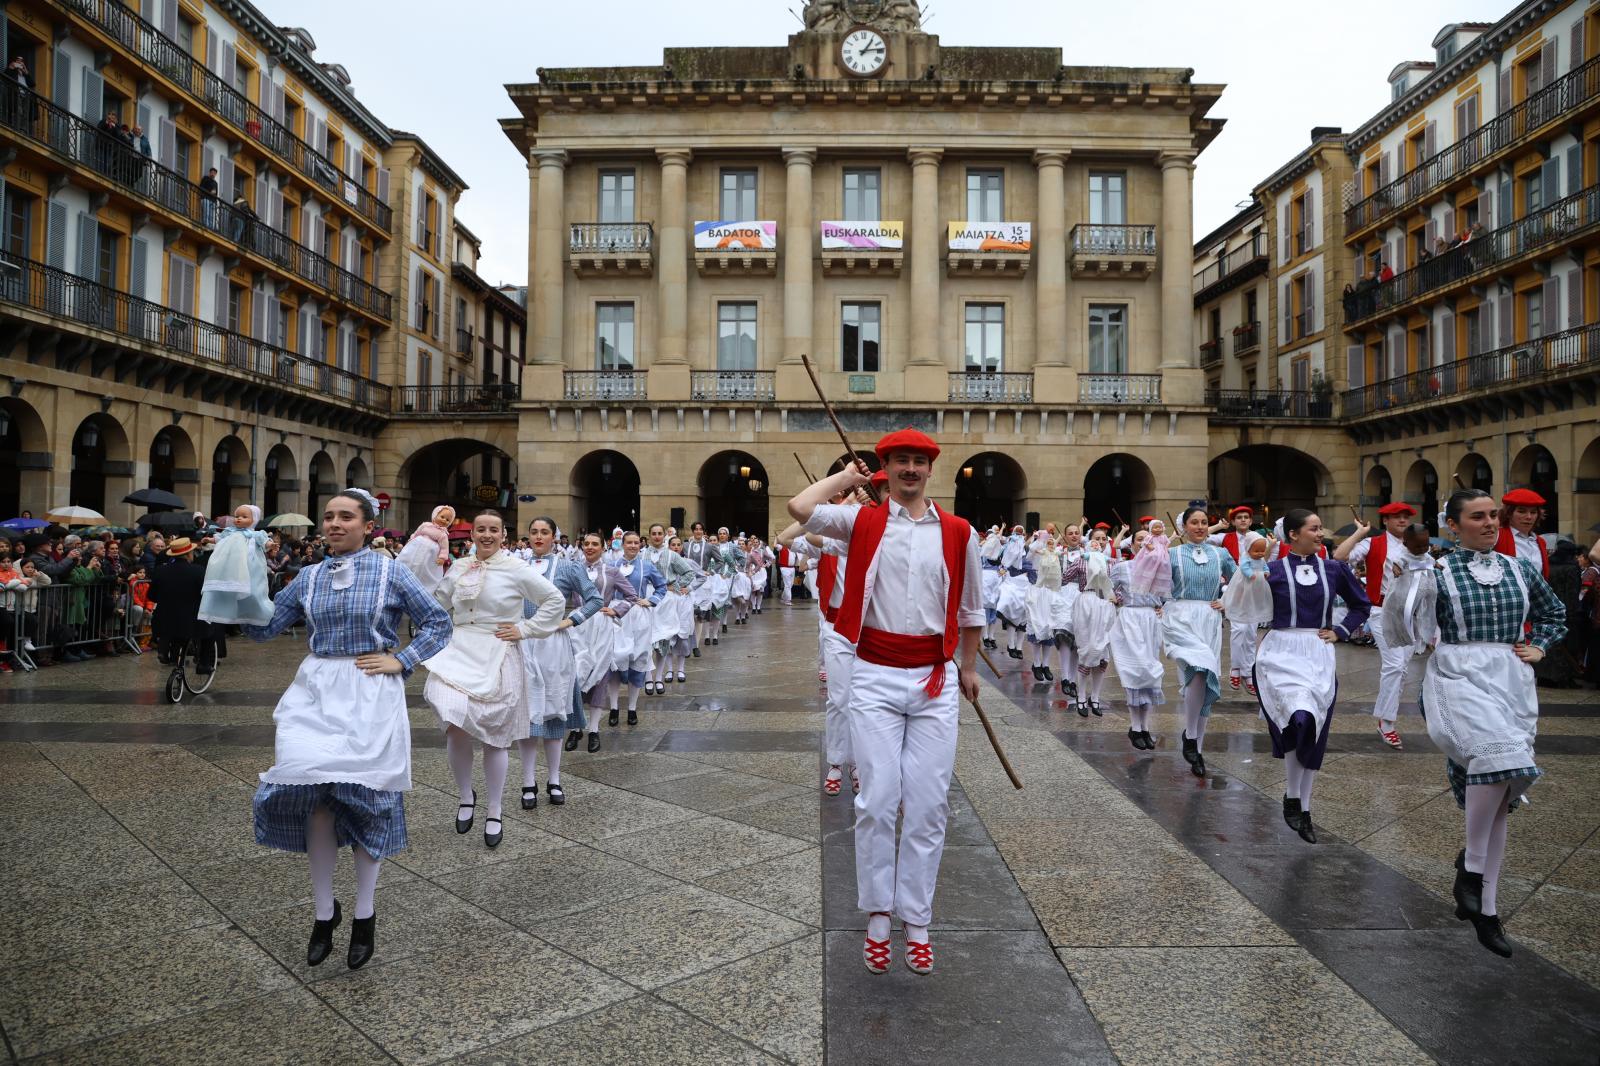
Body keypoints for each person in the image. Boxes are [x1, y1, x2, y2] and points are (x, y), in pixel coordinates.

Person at [789, 427, 983, 976]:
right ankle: (878, 916)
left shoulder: (958, 531)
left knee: (928, 805)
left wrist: (967, 667)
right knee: (876, 800)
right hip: (872, 674)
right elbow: (799, 507)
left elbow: (971, 610)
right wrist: (846, 479)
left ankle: (916, 920)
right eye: (900, 461)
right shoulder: (859, 521)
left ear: (929, 469)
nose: (910, 470)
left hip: (934, 682)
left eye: (918, 462)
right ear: (887, 468)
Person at [243, 489, 451, 971]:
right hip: (315, 690)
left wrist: (400, 660)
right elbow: (263, 629)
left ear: (367, 525)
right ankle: (322, 913)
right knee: (313, 794)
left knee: (367, 801)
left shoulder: (391, 570)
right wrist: (237, 586)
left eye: (345, 517)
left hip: (370, 690)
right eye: (329, 517)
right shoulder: (309, 576)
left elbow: (437, 625)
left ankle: (364, 913)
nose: (334, 524)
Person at [1389, 489, 1565, 957]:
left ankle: (1486, 908)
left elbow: (1554, 612)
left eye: (1493, 516)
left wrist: (1541, 645)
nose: (1490, 523)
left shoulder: (1517, 566)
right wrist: (1412, 572)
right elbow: (1405, 628)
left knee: (1505, 785)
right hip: (1457, 674)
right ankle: (1471, 870)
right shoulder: (1440, 569)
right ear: (1453, 525)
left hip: (1509, 679)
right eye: (1478, 517)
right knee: (1499, 758)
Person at [412, 510, 563, 849]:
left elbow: (553, 600)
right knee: (452, 718)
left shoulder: (515, 568)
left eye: (493, 530)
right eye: (481, 529)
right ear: (472, 534)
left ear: (503, 535)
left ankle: (494, 809)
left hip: (498, 650)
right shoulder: (462, 566)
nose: (486, 535)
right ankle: (466, 795)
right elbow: (438, 603)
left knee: (496, 734)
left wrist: (525, 629)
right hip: (460, 648)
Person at [1254, 509, 1371, 845]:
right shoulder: (1272, 570)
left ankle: (1303, 806)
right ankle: (1294, 797)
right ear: (1293, 534)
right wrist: (1247, 578)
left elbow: (1361, 604)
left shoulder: (1334, 569)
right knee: (1298, 718)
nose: (1321, 533)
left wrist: (1341, 630)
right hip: (1280, 651)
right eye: (1314, 528)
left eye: (1320, 529)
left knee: (1314, 725)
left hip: (1317, 653)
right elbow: (1246, 604)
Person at [1334, 501, 1424, 748]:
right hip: (1382, 610)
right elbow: (1339, 557)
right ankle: (1386, 722)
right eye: (1397, 517)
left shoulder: (1416, 544)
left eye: (1406, 517)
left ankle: (1385, 720)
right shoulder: (1372, 543)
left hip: (1410, 613)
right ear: (1385, 521)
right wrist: (1360, 533)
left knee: (1402, 668)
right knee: (1395, 666)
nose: (1402, 521)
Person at [1163, 507, 1237, 777]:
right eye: (1194, 522)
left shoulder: (1221, 553)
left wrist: (1226, 599)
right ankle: (1191, 735)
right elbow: (1152, 581)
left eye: (1204, 522)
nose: (1200, 526)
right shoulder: (1172, 554)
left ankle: (1197, 748)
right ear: (1184, 526)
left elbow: (1240, 579)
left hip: (1209, 617)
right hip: (1180, 617)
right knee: (1198, 669)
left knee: (1205, 679)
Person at [1112, 524, 1169, 749]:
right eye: (1140, 540)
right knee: (1134, 670)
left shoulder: (1161, 567)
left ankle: (1145, 726)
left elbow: (1168, 594)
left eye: (1149, 540)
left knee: (1149, 671)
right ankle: (1135, 726)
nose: (1145, 543)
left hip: (1150, 622)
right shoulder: (1122, 567)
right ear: (1133, 544)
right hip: (1129, 620)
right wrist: (1113, 600)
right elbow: (1106, 588)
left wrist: (1163, 608)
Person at [610, 531, 667, 724]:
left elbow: (662, 587)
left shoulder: (647, 566)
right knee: (615, 660)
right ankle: (614, 707)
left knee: (639, 659)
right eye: (629, 542)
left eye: (636, 543)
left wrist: (650, 601)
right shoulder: (612, 565)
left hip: (638, 615)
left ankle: (632, 708)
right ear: (622, 544)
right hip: (617, 615)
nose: (633, 546)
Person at [146, 538, 224, 674]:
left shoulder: (160, 570)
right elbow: (205, 594)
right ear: (189, 554)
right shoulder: (198, 571)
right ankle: (204, 664)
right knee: (212, 630)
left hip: (164, 621)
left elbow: (151, 596)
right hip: (191, 621)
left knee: (176, 631)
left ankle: (172, 656)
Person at [1208, 505, 1264, 690]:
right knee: (1238, 629)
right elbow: (1201, 537)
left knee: (1251, 632)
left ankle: (1248, 672)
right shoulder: (1225, 537)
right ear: (1233, 521)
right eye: (1238, 517)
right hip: (1234, 586)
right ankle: (1235, 669)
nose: (1242, 520)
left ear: (1250, 520)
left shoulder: (1259, 538)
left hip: (1254, 586)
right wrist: (1218, 527)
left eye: (1246, 517)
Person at [198, 504, 272, 625]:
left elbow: (265, 542)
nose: (238, 519)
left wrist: (270, 545)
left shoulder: (256, 534)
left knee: (254, 589)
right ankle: (224, 609)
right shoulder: (229, 531)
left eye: (244, 516)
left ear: (254, 519)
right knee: (229, 588)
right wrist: (210, 540)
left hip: (250, 565)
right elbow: (220, 538)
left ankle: (254, 611)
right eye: (237, 516)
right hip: (231, 566)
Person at [1494, 488, 1549, 578]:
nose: (1529, 517)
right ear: (1508, 513)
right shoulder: (1497, 536)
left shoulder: (1541, 542)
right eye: (1521, 511)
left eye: (1533, 512)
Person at [200, 166, 220, 230]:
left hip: (212, 201)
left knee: (211, 216)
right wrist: (209, 192)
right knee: (206, 214)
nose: (213, 174)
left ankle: (211, 228)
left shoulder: (215, 183)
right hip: (205, 198)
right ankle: (206, 226)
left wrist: (215, 201)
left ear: (216, 174)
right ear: (210, 173)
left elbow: (216, 193)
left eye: (214, 173)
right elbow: (201, 187)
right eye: (212, 172)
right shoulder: (205, 178)